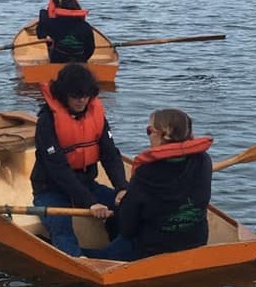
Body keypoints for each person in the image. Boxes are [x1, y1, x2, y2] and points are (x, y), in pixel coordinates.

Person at [84, 108, 212, 261]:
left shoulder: (146, 172)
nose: (149, 136)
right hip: (196, 241)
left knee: (89, 251)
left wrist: (121, 207)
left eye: (149, 130)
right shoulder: (203, 160)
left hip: (152, 248)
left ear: (161, 135)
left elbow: (127, 228)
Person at [31, 63, 129, 256]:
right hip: (51, 190)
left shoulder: (96, 115)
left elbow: (110, 155)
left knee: (127, 208)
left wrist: (121, 188)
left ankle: (119, 254)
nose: (81, 101)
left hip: (86, 184)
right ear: (63, 94)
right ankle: (76, 260)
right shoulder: (47, 121)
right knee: (62, 226)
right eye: (75, 96)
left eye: (85, 95)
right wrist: (89, 202)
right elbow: (57, 168)